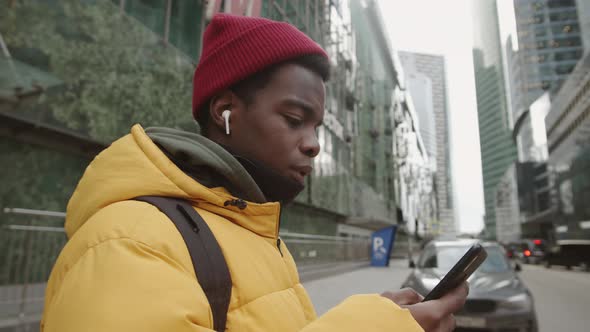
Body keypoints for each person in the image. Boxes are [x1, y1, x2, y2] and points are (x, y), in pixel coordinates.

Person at [41, 14, 467, 332]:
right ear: (225, 111)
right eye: (294, 118)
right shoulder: (131, 239)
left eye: (317, 125)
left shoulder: (254, 233)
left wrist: (375, 316)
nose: (314, 143)